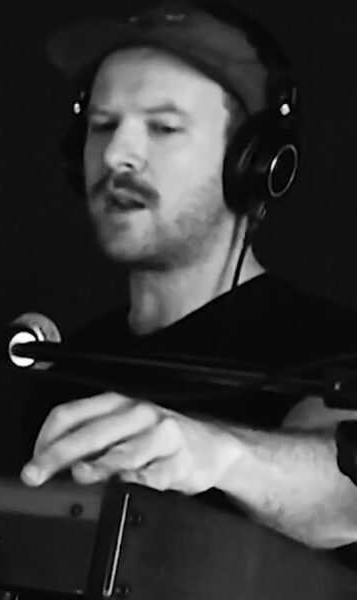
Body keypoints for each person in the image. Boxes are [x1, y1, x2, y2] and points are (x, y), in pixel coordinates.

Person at [19, 0, 357, 555]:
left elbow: (345, 490)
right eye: (103, 125)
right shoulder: (68, 371)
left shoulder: (330, 350)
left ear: (254, 164)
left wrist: (212, 451)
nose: (118, 155)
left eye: (163, 127)